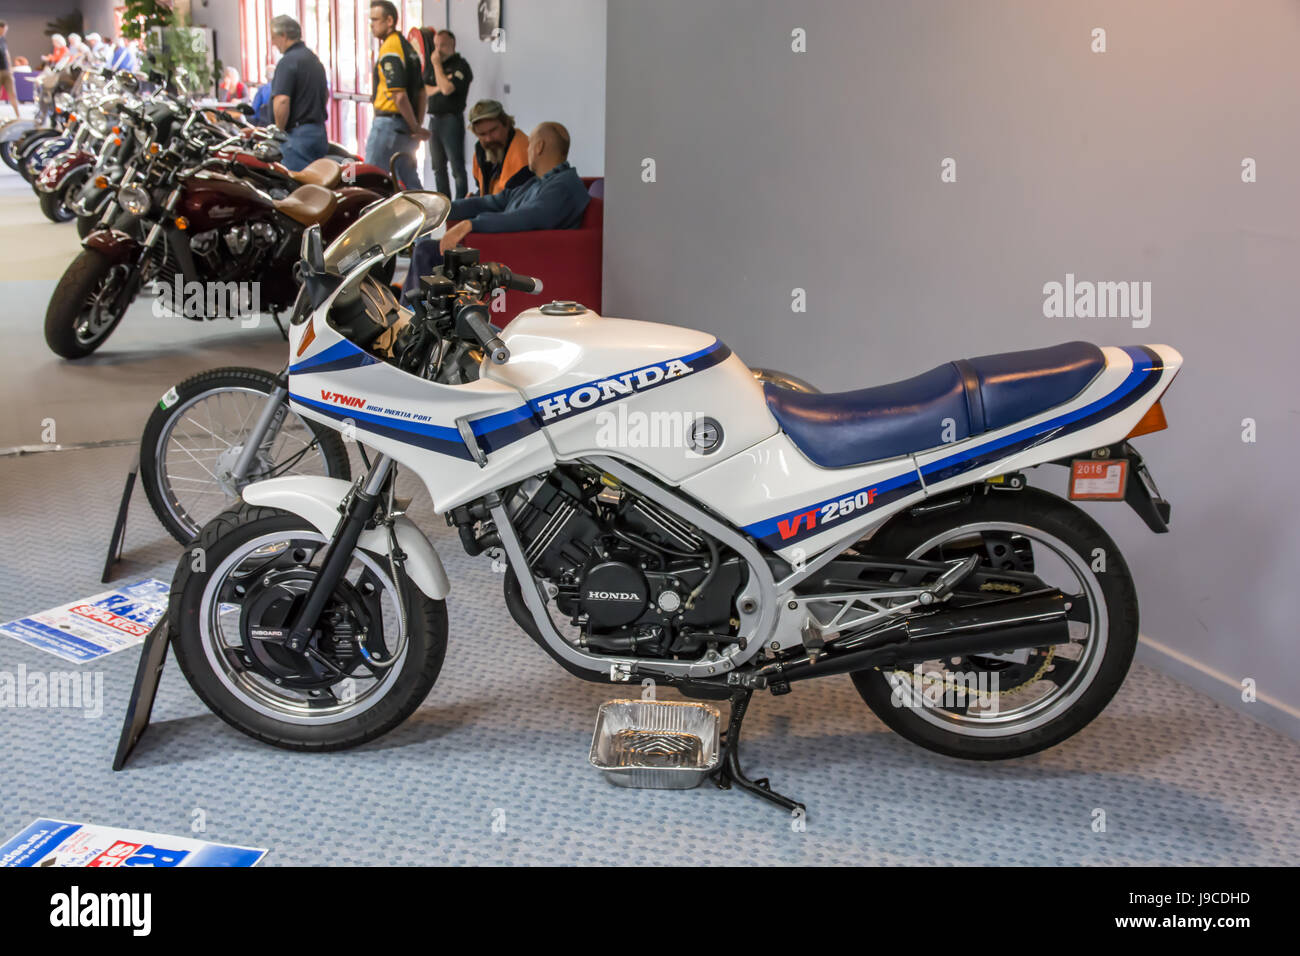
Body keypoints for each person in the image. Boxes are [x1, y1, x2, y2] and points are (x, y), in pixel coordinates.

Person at [403, 121, 589, 299]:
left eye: (530, 144)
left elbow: (529, 217)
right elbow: (490, 202)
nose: (527, 149)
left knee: (426, 251)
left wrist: (471, 224)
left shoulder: (564, 186)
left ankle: (411, 319)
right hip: (501, 249)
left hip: (514, 260)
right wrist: (436, 210)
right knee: (427, 250)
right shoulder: (536, 183)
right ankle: (413, 313)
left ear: (539, 147)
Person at [365, 1, 427, 188]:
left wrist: (415, 127)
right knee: (409, 180)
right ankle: (430, 215)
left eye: (375, 20)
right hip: (405, 127)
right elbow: (422, 93)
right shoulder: (409, 49)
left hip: (389, 126)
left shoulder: (390, 48)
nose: (372, 25)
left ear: (390, 20)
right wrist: (415, 125)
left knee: (372, 180)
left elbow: (399, 95)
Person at [268, 15, 329, 171]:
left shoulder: (287, 62)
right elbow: (325, 94)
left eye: (274, 38)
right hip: (318, 132)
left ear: (284, 36)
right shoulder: (314, 60)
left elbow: (282, 101)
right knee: (316, 186)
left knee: (298, 189)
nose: (273, 43)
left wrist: (278, 132)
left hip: (297, 137)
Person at [424, 29, 472, 198]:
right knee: (438, 168)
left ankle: (460, 205)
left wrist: (437, 67)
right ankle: (444, 205)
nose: (438, 50)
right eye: (436, 45)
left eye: (442, 45)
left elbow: (447, 89)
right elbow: (425, 90)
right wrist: (441, 80)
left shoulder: (461, 66)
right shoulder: (433, 67)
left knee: (457, 168)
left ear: (452, 45)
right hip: (434, 120)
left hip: (451, 120)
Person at [466, 99, 531, 196]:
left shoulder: (524, 154)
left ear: (506, 124)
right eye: (482, 134)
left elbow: (515, 202)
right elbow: (486, 190)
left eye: (493, 131)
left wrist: (477, 204)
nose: (488, 139)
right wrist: (475, 199)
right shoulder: (481, 152)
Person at [0, 22, 20, 120]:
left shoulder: (3, 39)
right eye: (4, 29)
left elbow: (6, 53)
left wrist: (10, 67)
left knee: (12, 93)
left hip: (6, 70)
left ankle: (18, 115)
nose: (5, 32)